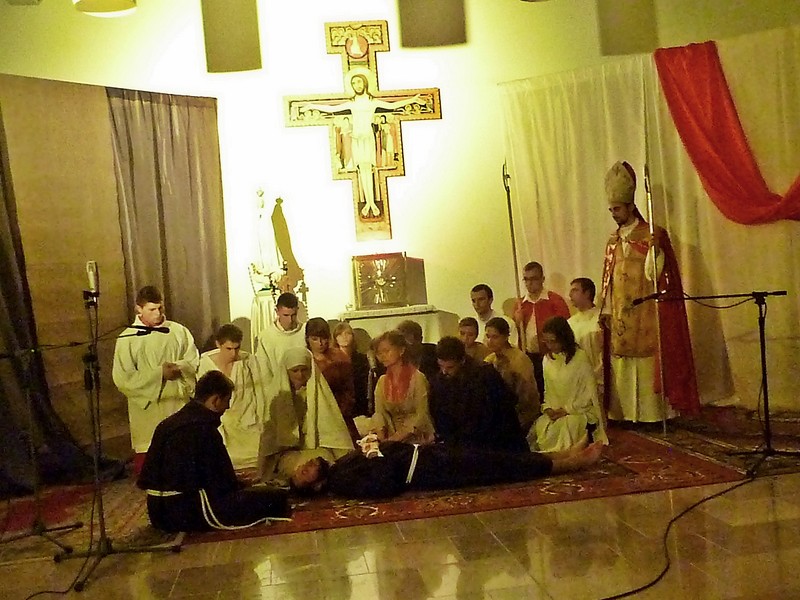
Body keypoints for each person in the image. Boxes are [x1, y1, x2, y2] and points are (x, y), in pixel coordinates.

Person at [598, 161, 700, 423]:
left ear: (631, 206)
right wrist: (605, 308)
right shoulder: (612, 240)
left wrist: (656, 250)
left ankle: (652, 416)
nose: (614, 214)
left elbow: (657, 275)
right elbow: (608, 278)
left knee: (646, 360)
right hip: (621, 314)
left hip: (647, 313)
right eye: (611, 209)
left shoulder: (653, 234)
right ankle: (625, 415)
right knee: (622, 361)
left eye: (617, 209)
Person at [137, 371, 290, 532]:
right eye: (227, 400)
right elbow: (221, 485)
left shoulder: (167, 424)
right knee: (273, 497)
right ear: (215, 400)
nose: (228, 407)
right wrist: (241, 484)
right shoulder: (203, 429)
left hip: (157, 512)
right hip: (184, 512)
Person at [290, 436, 604, 499]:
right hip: (428, 470)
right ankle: (571, 464)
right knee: (499, 466)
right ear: (317, 486)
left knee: (497, 454)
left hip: (426, 454)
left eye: (302, 466)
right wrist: (375, 454)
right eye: (304, 473)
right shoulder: (342, 482)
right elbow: (384, 485)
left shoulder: (339, 465)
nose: (306, 465)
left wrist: (374, 445)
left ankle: (562, 453)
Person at [298, 70, 423, 218]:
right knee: (362, 171)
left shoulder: (373, 102)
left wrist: (413, 100)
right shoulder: (352, 103)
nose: (356, 85)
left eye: (358, 82)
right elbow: (332, 108)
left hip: (367, 139)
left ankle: (371, 203)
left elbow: (393, 105)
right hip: (357, 139)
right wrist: (312, 105)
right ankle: (369, 203)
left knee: (368, 170)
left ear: (365, 83)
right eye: (353, 83)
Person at [112, 285, 199, 475]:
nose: (157, 313)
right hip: (148, 407)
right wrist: (159, 374)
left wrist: (179, 368)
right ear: (139, 309)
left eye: (160, 308)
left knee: (182, 453)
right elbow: (123, 378)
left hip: (177, 401)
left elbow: (193, 360)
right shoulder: (127, 338)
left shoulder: (178, 331)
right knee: (152, 456)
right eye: (151, 309)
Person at [258, 347, 354, 483]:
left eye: (304, 370)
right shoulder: (277, 397)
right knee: (301, 468)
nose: (300, 375)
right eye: (295, 371)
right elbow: (270, 439)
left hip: (317, 450)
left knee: (327, 461)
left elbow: (332, 429)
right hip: (289, 454)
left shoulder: (319, 393)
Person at [429, 336, 528, 453]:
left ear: (462, 361)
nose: (444, 371)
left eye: (450, 367)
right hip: (461, 441)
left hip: (493, 441)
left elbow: (504, 407)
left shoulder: (485, 375)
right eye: (441, 366)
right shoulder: (440, 380)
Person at [529, 317, 608, 453]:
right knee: (543, 426)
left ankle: (566, 455)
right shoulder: (547, 360)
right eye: (546, 342)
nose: (550, 346)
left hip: (579, 410)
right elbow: (549, 390)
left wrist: (567, 410)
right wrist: (549, 408)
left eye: (553, 341)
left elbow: (589, 393)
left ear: (563, 338)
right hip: (557, 410)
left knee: (567, 426)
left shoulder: (580, 358)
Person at [198, 324, 269, 470]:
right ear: (218, 344)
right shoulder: (204, 364)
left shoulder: (248, 361)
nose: (233, 353)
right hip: (221, 423)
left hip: (247, 421)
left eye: (237, 348)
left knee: (258, 456)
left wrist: (262, 419)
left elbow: (260, 391)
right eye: (229, 349)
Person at [513, 262, 570, 399]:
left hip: (551, 356)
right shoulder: (520, 304)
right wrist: (516, 321)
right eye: (526, 279)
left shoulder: (555, 301)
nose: (529, 283)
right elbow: (515, 334)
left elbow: (565, 330)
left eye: (534, 279)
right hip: (529, 357)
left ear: (542, 279)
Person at [371, 330, 435, 445]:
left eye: (386, 351)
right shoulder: (382, 381)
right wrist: (381, 437)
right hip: (390, 437)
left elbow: (421, 415)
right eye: (379, 353)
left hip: (417, 438)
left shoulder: (417, 378)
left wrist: (397, 438)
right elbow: (379, 413)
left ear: (401, 350)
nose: (382, 356)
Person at [305, 317, 359, 442]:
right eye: (315, 339)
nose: (320, 343)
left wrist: (340, 412)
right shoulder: (303, 358)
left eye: (323, 338)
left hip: (339, 414)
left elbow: (349, 390)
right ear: (307, 339)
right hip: (313, 416)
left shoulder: (339, 357)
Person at [484, 317, 540, 434]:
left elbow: (526, 395)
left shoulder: (519, 360)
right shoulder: (489, 360)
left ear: (505, 337)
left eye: (495, 337)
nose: (490, 341)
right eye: (488, 337)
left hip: (521, 417)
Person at [254, 292, 306, 380]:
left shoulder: (305, 332)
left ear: (297, 310)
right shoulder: (266, 337)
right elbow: (263, 371)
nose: (290, 320)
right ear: (277, 311)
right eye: (286, 315)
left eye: (293, 315)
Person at [567, 277, 603, 395]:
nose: (570, 295)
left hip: (599, 380)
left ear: (587, 293)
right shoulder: (570, 323)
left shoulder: (601, 319)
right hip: (577, 381)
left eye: (575, 290)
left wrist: (594, 375)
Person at [332, 320, 371, 417]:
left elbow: (364, 384)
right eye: (340, 334)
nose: (344, 337)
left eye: (347, 333)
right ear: (335, 338)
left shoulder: (361, 359)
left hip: (360, 404)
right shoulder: (332, 360)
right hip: (340, 405)